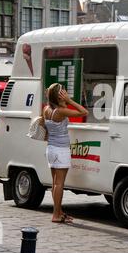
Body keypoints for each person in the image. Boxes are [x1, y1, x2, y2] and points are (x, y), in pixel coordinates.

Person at [43, 83, 88, 223]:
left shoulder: (47, 109)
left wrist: (64, 102)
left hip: (51, 148)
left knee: (55, 182)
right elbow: (84, 112)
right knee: (59, 184)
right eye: (64, 92)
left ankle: (59, 212)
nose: (66, 93)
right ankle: (56, 215)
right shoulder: (61, 112)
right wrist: (69, 101)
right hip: (60, 149)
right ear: (59, 96)